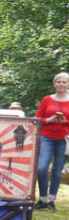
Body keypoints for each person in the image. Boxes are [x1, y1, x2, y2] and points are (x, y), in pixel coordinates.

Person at [34, 72, 69, 211]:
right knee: (42, 168)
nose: (61, 84)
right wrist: (48, 120)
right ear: (54, 83)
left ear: (68, 84)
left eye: (64, 82)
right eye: (58, 82)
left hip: (64, 139)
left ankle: (51, 200)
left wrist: (65, 121)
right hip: (47, 137)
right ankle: (42, 198)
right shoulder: (47, 99)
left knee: (57, 170)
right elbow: (37, 119)